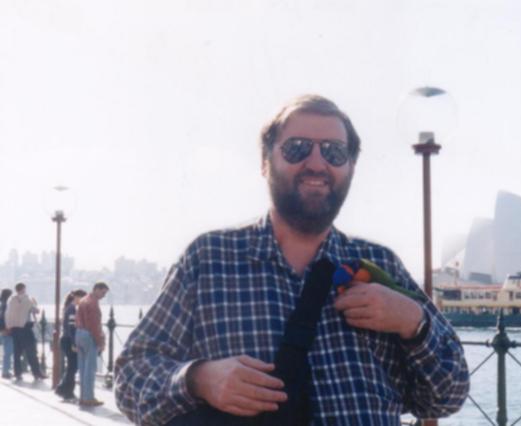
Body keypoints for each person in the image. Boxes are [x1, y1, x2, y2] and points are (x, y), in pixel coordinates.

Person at [115, 94, 469, 425]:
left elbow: (445, 397)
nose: (316, 163)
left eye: (334, 152)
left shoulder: (381, 265)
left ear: (351, 167)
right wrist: (198, 378)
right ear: (265, 162)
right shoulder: (208, 260)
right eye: (297, 148)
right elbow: (130, 378)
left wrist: (413, 323)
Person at [75, 282, 109, 407]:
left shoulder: (83, 300)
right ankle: (89, 397)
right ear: (96, 289)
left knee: (82, 368)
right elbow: (94, 325)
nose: (104, 296)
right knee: (90, 369)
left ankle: (83, 396)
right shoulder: (93, 303)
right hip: (88, 335)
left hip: (79, 334)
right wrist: (100, 342)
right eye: (103, 292)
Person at [5, 282, 46, 381]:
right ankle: (37, 373)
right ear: (23, 289)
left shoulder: (11, 300)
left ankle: (18, 373)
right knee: (31, 351)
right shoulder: (27, 299)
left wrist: (9, 326)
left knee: (17, 353)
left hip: (14, 329)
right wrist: (34, 303)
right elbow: (36, 311)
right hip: (25, 328)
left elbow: (7, 314)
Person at [55, 289, 87, 400]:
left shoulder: (69, 308)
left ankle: (65, 389)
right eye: (83, 298)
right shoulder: (73, 309)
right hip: (69, 340)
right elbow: (71, 327)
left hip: (66, 340)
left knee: (72, 367)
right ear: (77, 297)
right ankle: (65, 390)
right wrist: (74, 343)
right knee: (73, 367)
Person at [0, 288, 14, 379]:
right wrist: (4, 328)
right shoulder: (5, 306)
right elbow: (2, 318)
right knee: (8, 351)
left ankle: (6, 370)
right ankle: (5, 371)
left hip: (4, 330)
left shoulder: (3, 305)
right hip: (7, 330)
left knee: (8, 351)